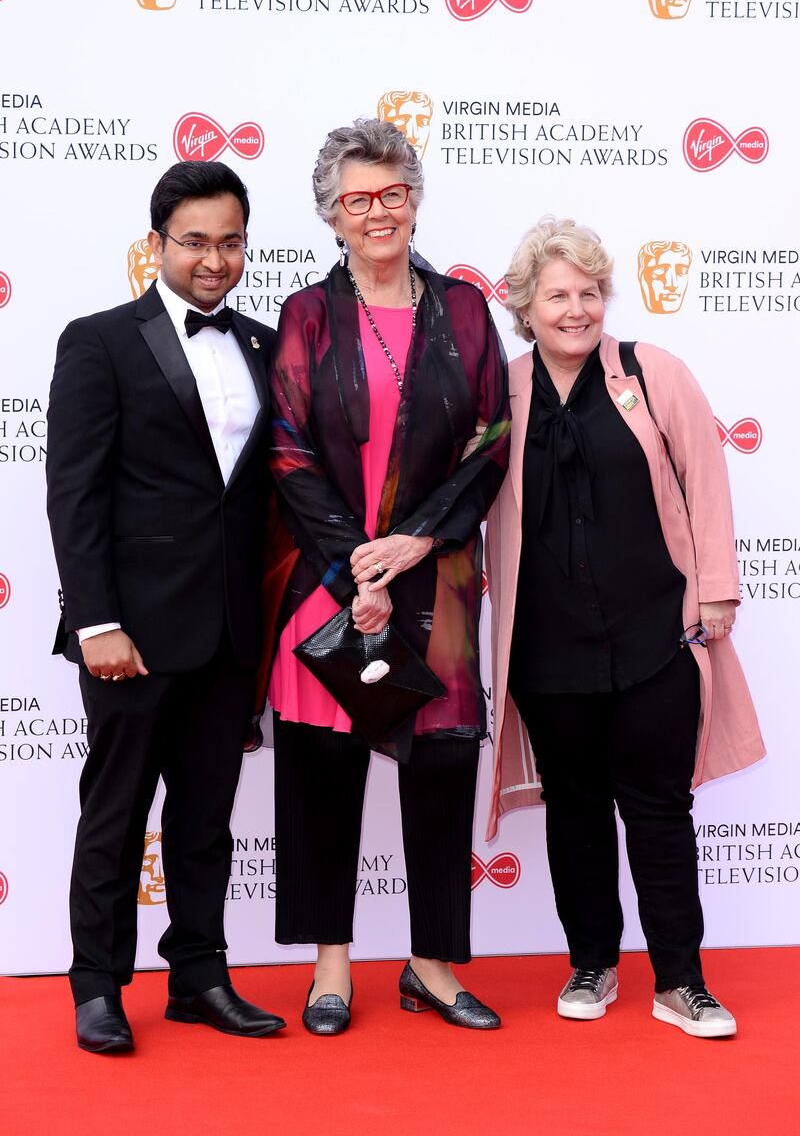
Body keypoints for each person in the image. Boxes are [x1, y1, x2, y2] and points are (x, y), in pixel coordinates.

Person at [485, 217, 765, 1039]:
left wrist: (716, 591)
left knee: (658, 808)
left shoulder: (655, 373)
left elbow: (707, 482)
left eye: (590, 292)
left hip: (656, 637)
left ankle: (682, 979)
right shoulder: (502, 390)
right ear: (525, 308)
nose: (577, 309)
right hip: (546, 645)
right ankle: (592, 963)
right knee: (575, 808)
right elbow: (467, 501)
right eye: (558, 295)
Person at [267, 118, 510, 1034]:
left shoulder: (463, 310)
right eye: (358, 198)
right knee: (323, 771)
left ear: (415, 199)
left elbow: (490, 441)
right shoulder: (309, 314)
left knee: (442, 767)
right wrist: (354, 562)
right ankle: (332, 969)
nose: (378, 211)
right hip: (332, 579)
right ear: (332, 212)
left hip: (437, 576)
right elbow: (286, 448)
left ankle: (431, 965)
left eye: (393, 193)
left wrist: (412, 542)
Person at [46, 161, 285, 1053]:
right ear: (158, 245)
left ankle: (199, 977)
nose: (214, 260)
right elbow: (74, 495)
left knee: (205, 821)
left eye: (230, 241)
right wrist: (95, 621)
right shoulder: (100, 341)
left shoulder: (263, 346)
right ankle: (98, 986)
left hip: (228, 629)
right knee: (114, 815)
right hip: (132, 633)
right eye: (195, 242)